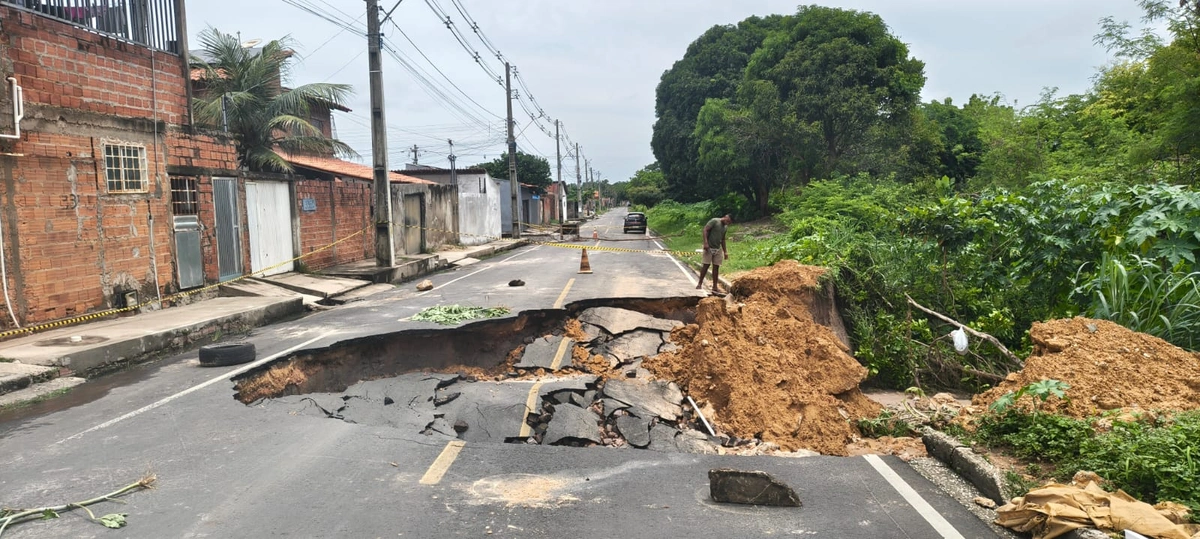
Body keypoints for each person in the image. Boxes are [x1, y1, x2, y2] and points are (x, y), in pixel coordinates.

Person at [696, 214, 732, 295]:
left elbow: (723, 239)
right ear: (726, 217)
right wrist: (705, 243)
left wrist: (725, 251)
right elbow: (705, 230)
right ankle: (700, 283)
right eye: (727, 221)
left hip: (717, 248)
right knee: (706, 265)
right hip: (709, 247)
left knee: (716, 267)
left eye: (729, 223)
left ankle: (715, 286)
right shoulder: (715, 221)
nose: (727, 223)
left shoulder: (725, 227)